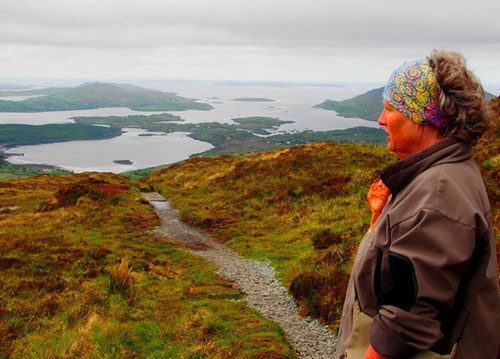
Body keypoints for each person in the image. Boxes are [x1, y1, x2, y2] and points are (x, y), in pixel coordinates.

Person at [334, 50, 500, 359]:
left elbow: (406, 325)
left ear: (424, 117)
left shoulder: (438, 195)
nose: (381, 120)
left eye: (390, 109)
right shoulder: (436, 175)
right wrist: (378, 219)